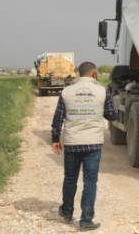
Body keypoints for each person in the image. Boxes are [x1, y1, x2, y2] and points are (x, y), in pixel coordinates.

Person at [51, 61, 118, 231]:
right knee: (90, 182)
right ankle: (86, 220)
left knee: (70, 179)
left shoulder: (66, 91)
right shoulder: (102, 91)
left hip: (73, 143)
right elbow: (112, 116)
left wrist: (55, 139)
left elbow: (57, 118)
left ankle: (66, 212)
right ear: (94, 74)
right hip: (93, 144)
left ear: (79, 74)